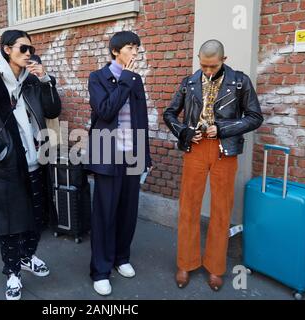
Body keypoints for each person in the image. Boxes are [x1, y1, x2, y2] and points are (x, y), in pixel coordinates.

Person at [0, 30, 61, 300]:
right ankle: (13, 273)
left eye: (31, 48)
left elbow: (53, 110)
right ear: (7, 49)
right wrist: (0, 151)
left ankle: (28, 257)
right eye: (23, 48)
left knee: (37, 219)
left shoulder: (31, 83)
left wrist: (46, 80)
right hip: (8, 165)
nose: (29, 53)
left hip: (36, 162)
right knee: (10, 224)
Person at [163, 39, 263, 291]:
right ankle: (186, 262)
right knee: (188, 206)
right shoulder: (189, 82)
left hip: (224, 151)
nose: (207, 71)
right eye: (203, 65)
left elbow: (255, 117)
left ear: (223, 60)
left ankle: (216, 268)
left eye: (212, 66)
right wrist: (185, 132)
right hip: (195, 149)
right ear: (199, 60)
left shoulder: (239, 82)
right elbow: (169, 113)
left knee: (221, 210)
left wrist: (223, 128)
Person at [85, 31, 152, 296]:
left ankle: (121, 258)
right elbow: (105, 111)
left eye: (137, 47)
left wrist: (145, 156)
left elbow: (142, 119)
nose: (135, 52)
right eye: (130, 47)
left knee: (127, 211)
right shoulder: (98, 78)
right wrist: (124, 80)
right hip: (106, 152)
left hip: (132, 154)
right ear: (115, 51)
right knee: (105, 213)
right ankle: (100, 270)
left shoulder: (135, 79)